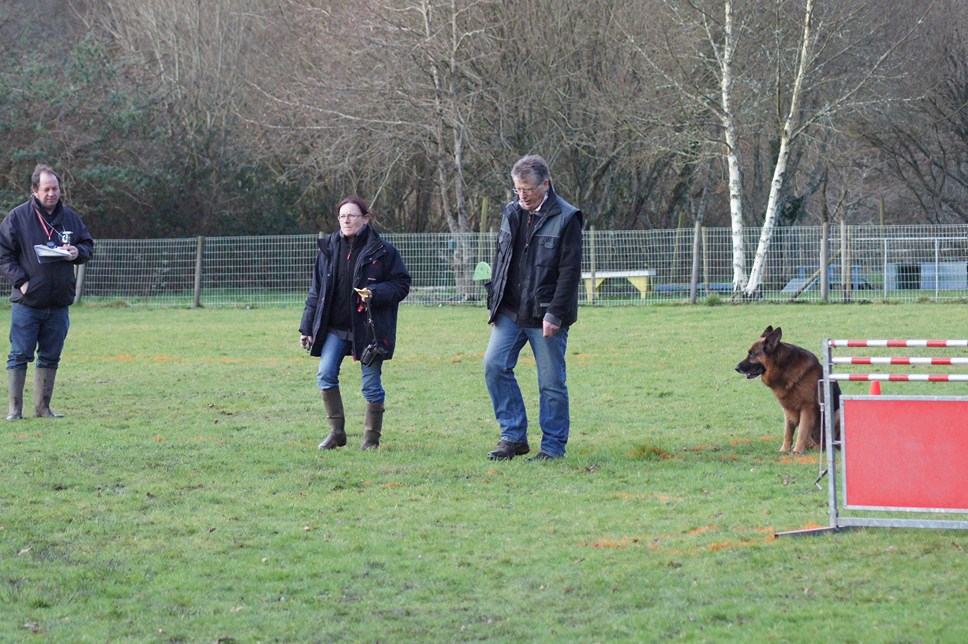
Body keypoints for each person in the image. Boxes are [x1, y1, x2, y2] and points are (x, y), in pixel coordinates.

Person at [483, 154, 583, 461]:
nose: (522, 195)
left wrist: (555, 313)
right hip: (510, 311)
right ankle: (513, 436)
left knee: (551, 383)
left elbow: (570, 273)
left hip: (546, 315)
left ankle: (552, 447)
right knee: (494, 366)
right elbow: (501, 258)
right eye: (517, 189)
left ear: (546, 185)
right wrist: (494, 299)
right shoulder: (511, 211)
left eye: (527, 189)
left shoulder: (567, 217)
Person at [299, 195, 411, 450]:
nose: (346, 220)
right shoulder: (328, 249)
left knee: (371, 385)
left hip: (369, 330)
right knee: (325, 375)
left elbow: (401, 284)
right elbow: (316, 292)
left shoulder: (384, 251)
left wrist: (376, 293)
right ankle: (337, 433)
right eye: (342, 216)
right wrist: (307, 327)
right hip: (334, 330)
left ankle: (371, 440)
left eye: (352, 215)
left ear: (366, 219)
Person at [0, 163, 95, 420]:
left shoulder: (70, 218)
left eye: (55, 188)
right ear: (34, 190)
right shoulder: (17, 218)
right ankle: (14, 411)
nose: (52, 193)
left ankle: (43, 408)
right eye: (46, 189)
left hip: (58, 303)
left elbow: (87, 244)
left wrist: (78, 252)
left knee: (51, 355)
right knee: (19, 355)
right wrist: (21, 281)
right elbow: (3, 254)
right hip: (28, 302)